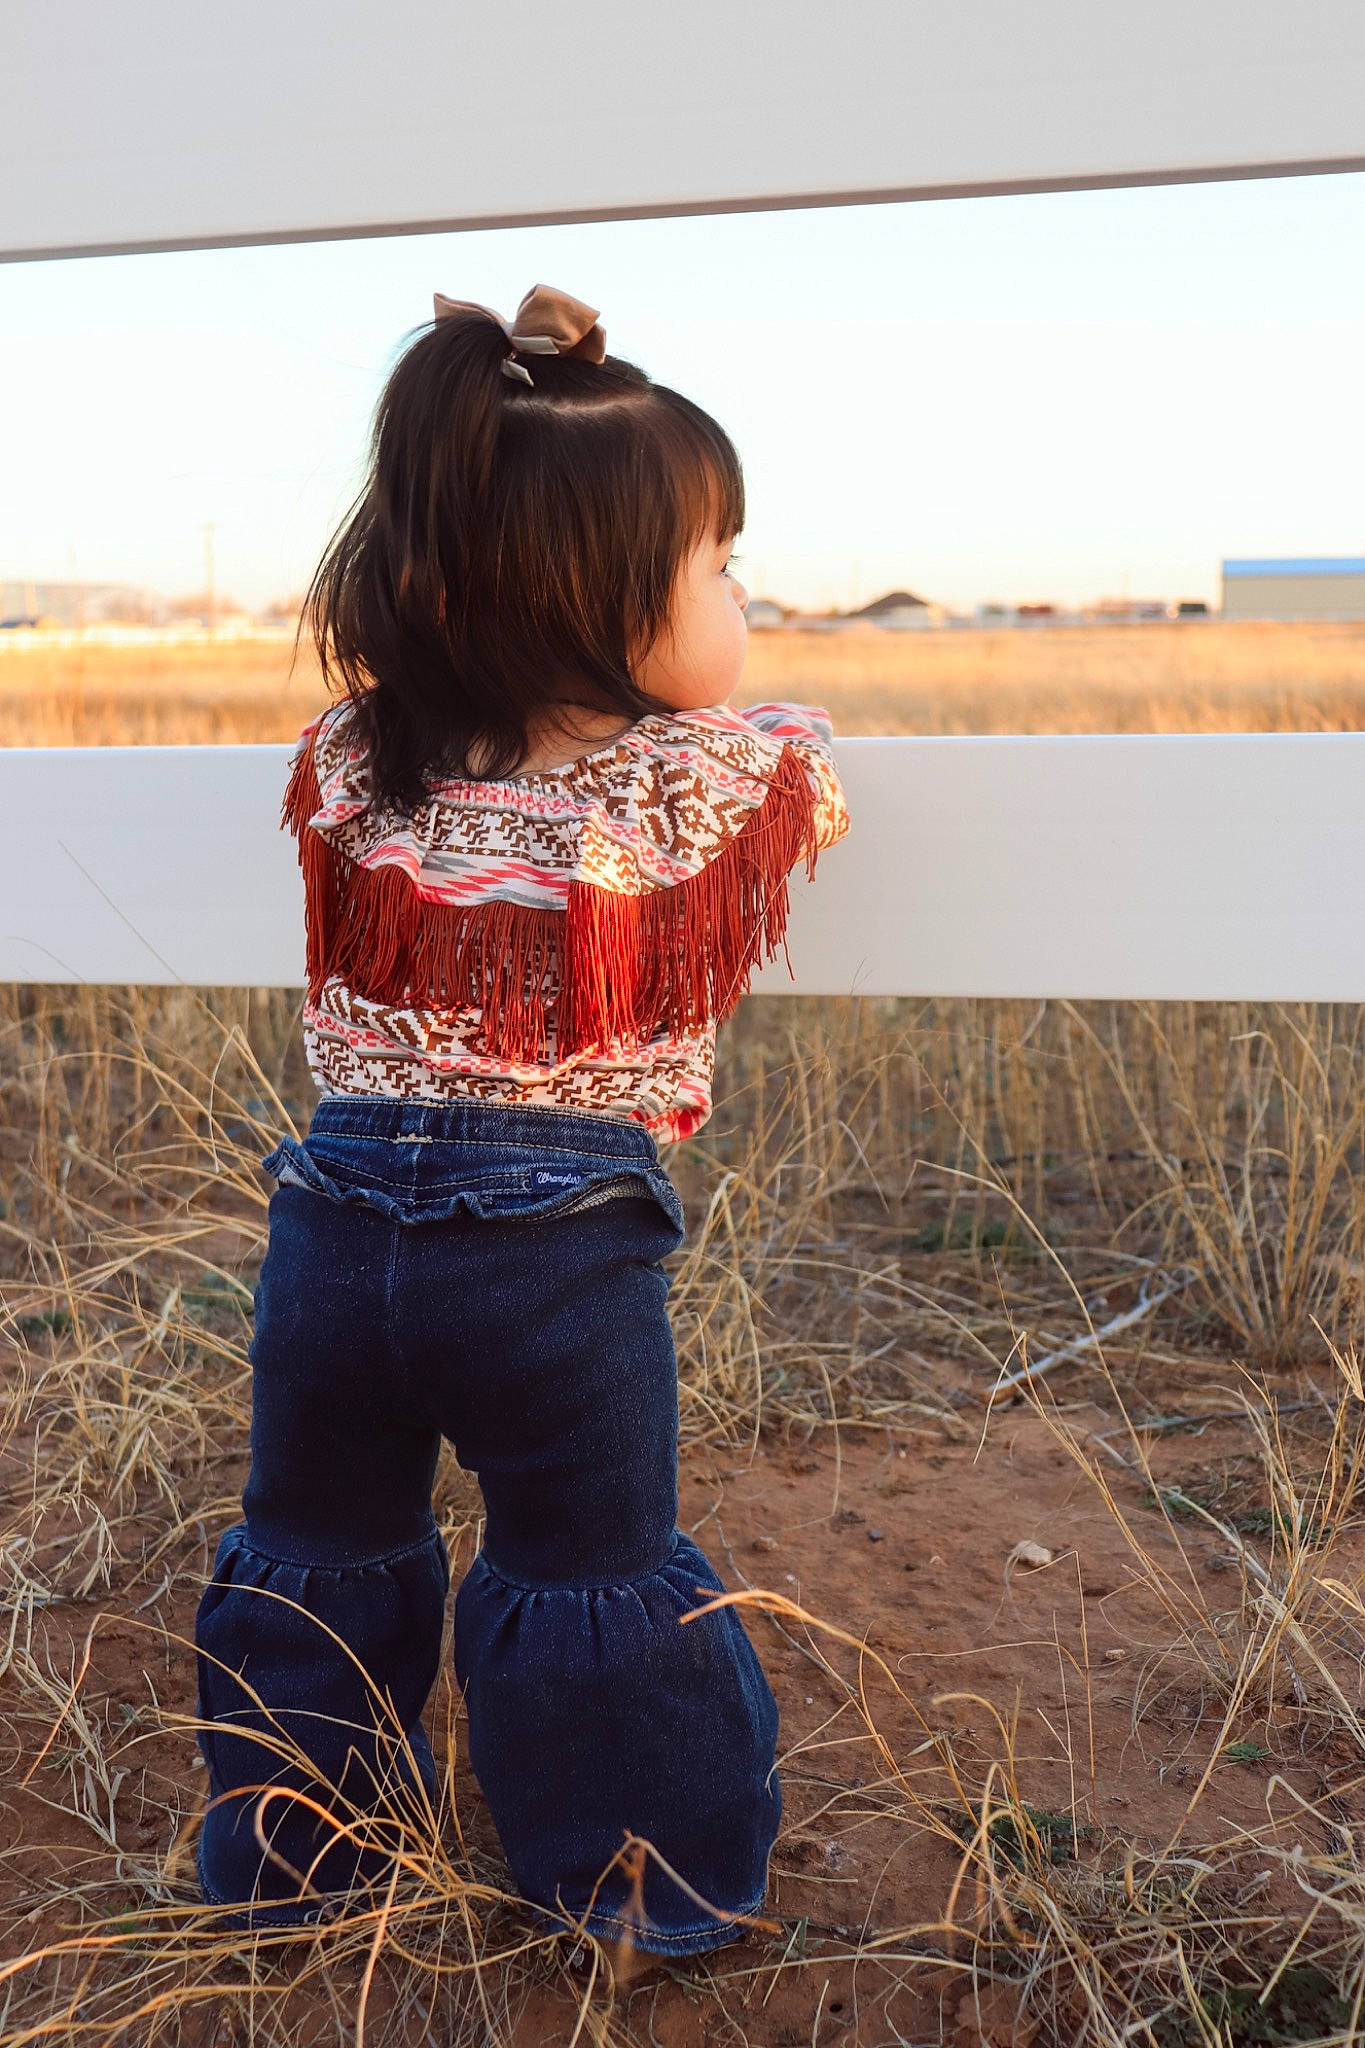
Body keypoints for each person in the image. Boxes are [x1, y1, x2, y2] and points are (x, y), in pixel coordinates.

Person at [192, 283, 851, 1957]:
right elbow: (796, 766)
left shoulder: (358, 762)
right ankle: (634, 1902)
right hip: (555, 1254)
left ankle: (291, 1870)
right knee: (587, 1565)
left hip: (329, 1228)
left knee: (315, 1543)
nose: (741, 591)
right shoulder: (702, 776)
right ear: (590, 599)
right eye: (715, 564)